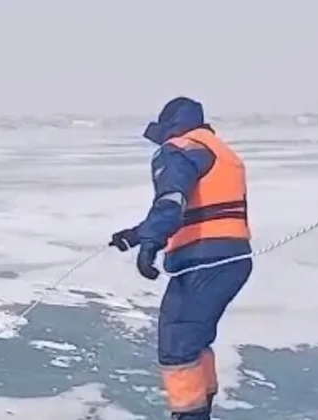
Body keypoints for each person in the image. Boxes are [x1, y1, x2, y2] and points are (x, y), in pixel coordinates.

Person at [108, 97, 252, 420]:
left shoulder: (179, 149)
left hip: (204, 260)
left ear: (170, 126)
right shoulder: (216, 149)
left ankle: (191, 416)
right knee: (194, 342)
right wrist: (136, 235)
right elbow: (200, 207)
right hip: (232, 259)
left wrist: (151, 242)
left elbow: (171, 200)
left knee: (178, 343)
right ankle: (203, 410)